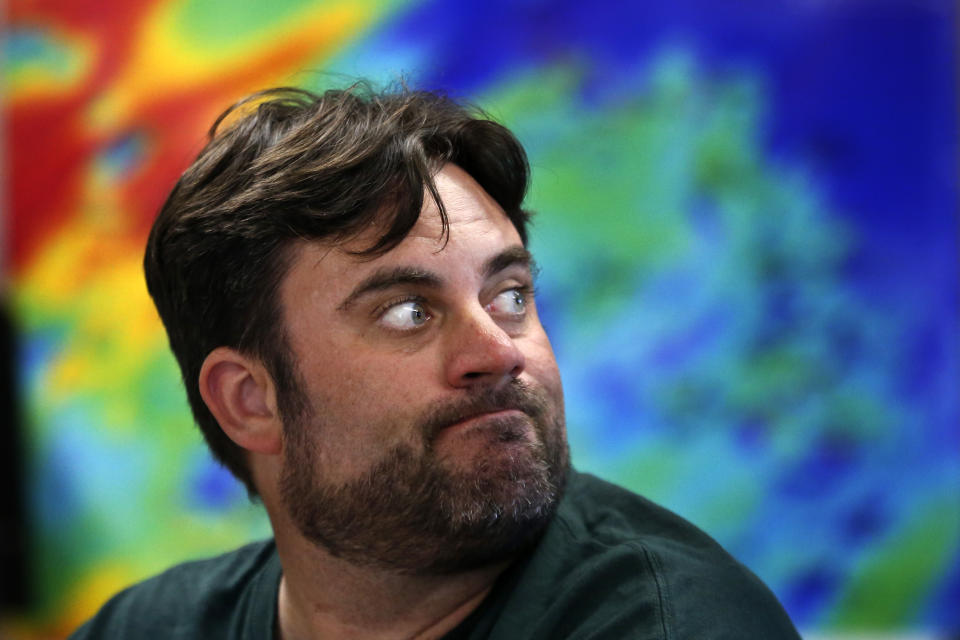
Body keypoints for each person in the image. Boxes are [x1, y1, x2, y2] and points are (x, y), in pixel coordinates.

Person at [71, 84, 801, 639]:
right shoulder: (146, 627)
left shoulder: (676, 624)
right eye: (409, 312)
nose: (497, 351)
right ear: (249, 401)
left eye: (509, 295)